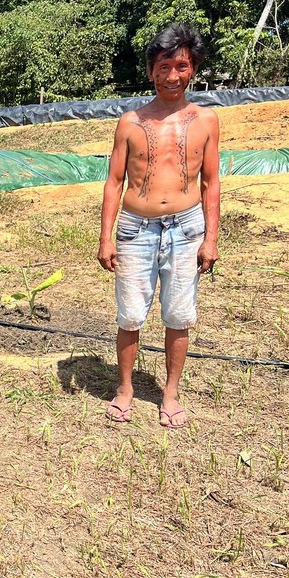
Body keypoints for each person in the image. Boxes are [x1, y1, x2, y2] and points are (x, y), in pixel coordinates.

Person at [97, 23, 220, 429]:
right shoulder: (131, 122)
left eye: (181, 66)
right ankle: (125, 389)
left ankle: (170, 393)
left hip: (187, 229)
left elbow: (211, 182)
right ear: (151, 71)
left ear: (193, 69)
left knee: (179, 314)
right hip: (136, 229)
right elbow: (114, 182)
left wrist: (211, 239)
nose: (172, 76)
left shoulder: (206, 120)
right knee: (130, 314)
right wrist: (106, 237)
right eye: (164, 67)